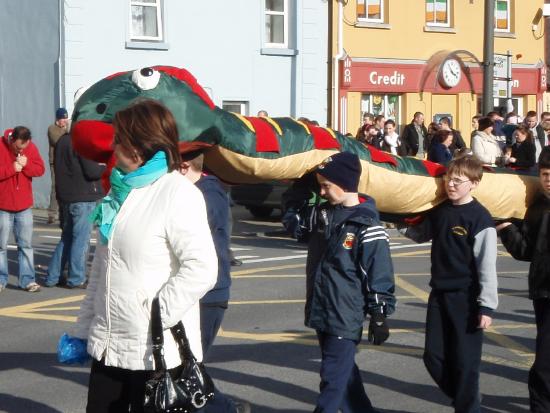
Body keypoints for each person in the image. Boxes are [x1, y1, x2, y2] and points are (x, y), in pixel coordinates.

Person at [73, 99, 218, 412]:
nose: (113, 146)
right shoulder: (119, 193)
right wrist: (83, 330)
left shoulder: (177, 193)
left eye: (119, 140)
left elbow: (202, 268)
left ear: (138, 147)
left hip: (154, 353)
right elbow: (101, 270)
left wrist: (155, 316)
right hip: (108, 348)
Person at [282, 152, 396, 413]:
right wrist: (299, 189)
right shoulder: (323, 214)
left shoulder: (366, 224)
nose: (321, 192)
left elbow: (378, 271)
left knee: (332, 381)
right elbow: (294, 224)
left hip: (345, 313)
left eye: (326, 186)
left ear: (345, 183)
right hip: (323, 309)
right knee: (346, 379)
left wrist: (379, 313)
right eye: (319, 185)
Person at [401, 155, 498, 413]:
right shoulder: (441, 211)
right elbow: (420, 234)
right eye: (448, 178)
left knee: (466, 364)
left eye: (457, 180)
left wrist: (486, 307)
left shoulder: (480, 219)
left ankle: (468, 406)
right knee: (433, 357)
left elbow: (487, 266)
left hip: (467, 299)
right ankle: (467, 400)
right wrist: (399, 217)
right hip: (439, 295)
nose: (450, 185)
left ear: (474, 183)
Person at [179, 141, 251, 413]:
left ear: (185, 167)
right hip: (197, 290)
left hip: (208, 292)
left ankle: (224, 408)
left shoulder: (207, 194)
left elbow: (206, 242)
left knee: (187, 367)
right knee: (185, 366)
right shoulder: (196, 191)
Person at [497, 147, 550, 412]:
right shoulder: (537, 209)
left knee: (545, 362)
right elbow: (524, 251)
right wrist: (506, 229)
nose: (548, 179)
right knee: (545, 359)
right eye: (544, 174)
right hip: (543, 292)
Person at [44, 132, 105, 289]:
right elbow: (92, 171)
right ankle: (76, 278)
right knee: (81, 240)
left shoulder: (62, 140)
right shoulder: (82, 142)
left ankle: (52, 276)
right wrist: (102, 165)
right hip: (83, 196)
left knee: (67, 238)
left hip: (67, 196)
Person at [0, 126, 45, 292]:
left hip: (24, 205)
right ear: (12, 140)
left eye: (24, 147)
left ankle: (27, 280)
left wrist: (26, 166)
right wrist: (12, 169)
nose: (21, 150)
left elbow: (40, 170)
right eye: (19, 147)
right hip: (3, 205)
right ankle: (1, 279)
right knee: (1, 246)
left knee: (26, 245)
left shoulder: (30, 147)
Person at [47, 108, 69, 224]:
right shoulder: (52, 128)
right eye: (62, 119)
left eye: (65, 118)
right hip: (55, 161)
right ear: (57, 119)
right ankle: (52, 214)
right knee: (55, 187)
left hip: (66, 161)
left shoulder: (66, 129)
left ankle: (63, 213)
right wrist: (67, 130)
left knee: (65, 186)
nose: (64, 121)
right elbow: (57, 140)